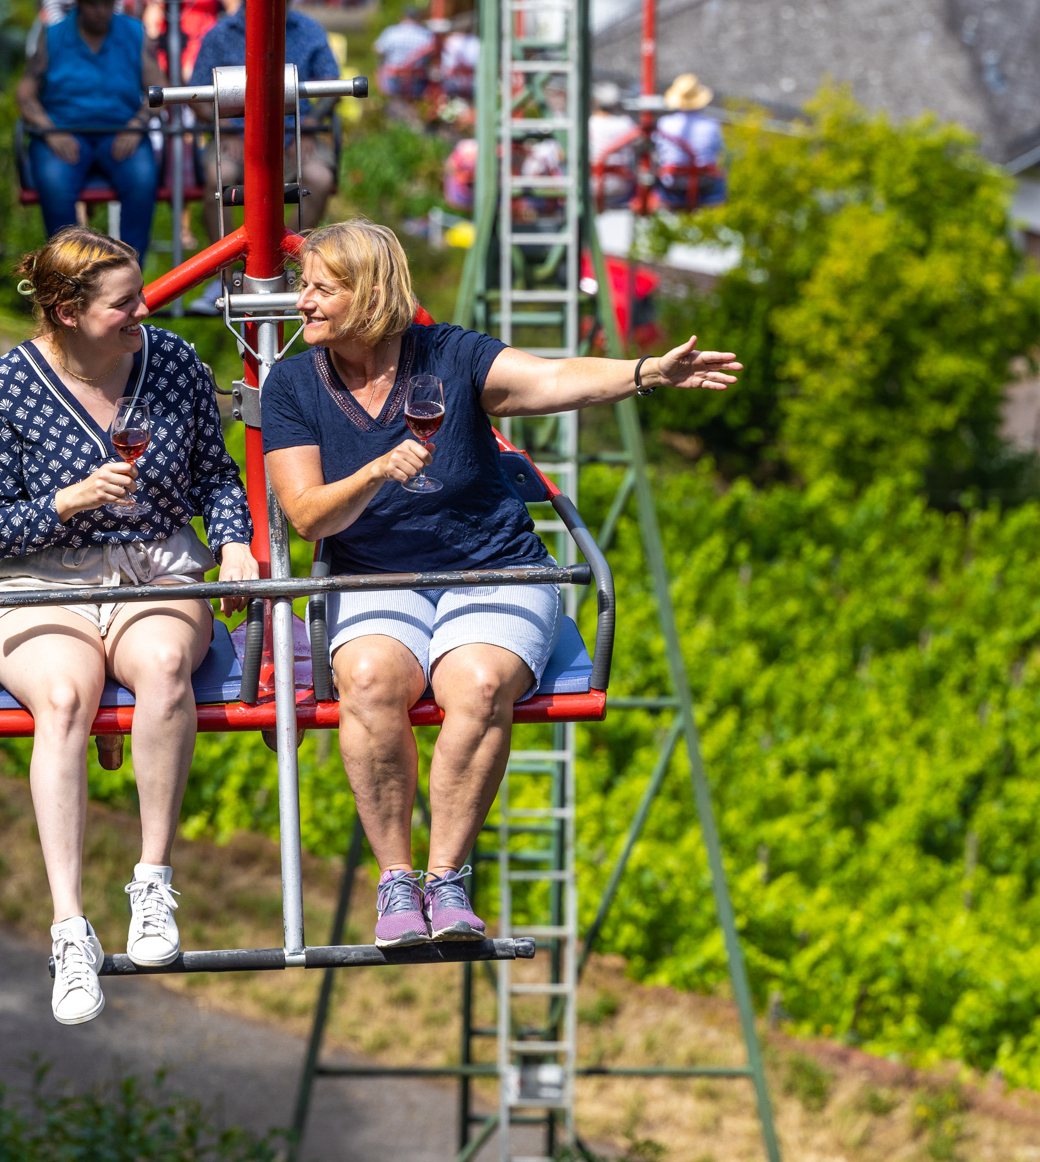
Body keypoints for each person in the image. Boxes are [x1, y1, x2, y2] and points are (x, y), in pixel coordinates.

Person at [261, 222, 742, 947]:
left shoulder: (449, 355)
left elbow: (549, 378)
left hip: (493, 565)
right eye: (306, 287)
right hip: (372, 572)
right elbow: (304, 515)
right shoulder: (294, 384)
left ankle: (445, 875)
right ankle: (396, 879)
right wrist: (371, 471)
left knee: (481, 683)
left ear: (369, 291)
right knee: (366, 677)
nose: (303, 303)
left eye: (320, 288)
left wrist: (645, 372)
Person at [0, 228, 260, 1025]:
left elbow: (215, 474)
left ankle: (153, 882)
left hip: (153, 565)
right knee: (63, 696)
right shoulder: (8, 386)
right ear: (67, 312)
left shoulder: (172, 366)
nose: (144, 309)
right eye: (124, 301)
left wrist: (234, 541)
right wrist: (67, 500)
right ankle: (68, 925)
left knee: (164, 664)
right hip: (43, 576)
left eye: (142, 294)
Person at [19, 0, 163, 251]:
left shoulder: (134, 33)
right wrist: (50, 131)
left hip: (120, 131)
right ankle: (70, 273)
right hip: (64, 132)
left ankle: (131, 273)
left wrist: (136, 126)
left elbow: (160, 90)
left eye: (106, 2)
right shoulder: (54, 35)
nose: (100, 10)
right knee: (55, 185)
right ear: (79, 2)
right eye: (92, 3)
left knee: (142, 179)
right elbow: (24, 94)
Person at [191, 0, 343, 218]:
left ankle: (289, 252)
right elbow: (196, 93)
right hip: (235, 135)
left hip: (295, 134)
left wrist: (311, 123)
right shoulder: (221, 35)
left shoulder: (308, 30)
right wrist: (224, 128)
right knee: (218, 180)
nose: (272, 9)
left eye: (279, 0)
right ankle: (226, 254)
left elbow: (332, 83)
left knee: (319, 179)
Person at [653, 72, 726, 208]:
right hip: (705, 183)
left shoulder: (664, 123)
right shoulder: (711, 124)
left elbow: (657, 150)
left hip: (672, 184)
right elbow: (718, 150)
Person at [372, 5, 439, 101]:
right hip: (417, 81)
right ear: (417, 18)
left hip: (393, 80)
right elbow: (434, 56)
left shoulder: (391, 32)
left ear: (402, 17)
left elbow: (378, 50)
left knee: (394, 104)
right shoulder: (426, 34)